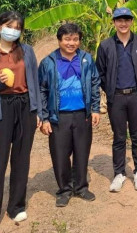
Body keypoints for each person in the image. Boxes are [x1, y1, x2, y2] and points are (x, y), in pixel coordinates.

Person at [39, 23, 100, 207]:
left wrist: (95, 108)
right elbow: (41, 90)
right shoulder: (48, 62)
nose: (71, 43)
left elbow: (95, 83)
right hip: (59, 116)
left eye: (75, 39)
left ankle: (81, 187)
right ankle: (64, 189)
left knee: (82, 152)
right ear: (59, 40)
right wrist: (44, 117)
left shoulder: (86, 59)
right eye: (67, 39)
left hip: (82, 114)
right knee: (60, 154)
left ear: (79, 41)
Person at [96, 7, 137, 192]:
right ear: (114, 22)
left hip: (136, 96)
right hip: (116, 98)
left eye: (127, 19)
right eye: (119, 20)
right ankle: (119, 173)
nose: (123, 23)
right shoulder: (105, 46)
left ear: (132, 21)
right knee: (119, 137)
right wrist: (110, 89)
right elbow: (100, 72)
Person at [0, 11, 41, 222]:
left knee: (21, 158)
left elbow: (34, 81)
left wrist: (39, 112)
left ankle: (16, 206)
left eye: (17, 28)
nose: (13, 31)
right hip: (2, 107)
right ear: (0, 26)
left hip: (25, 106)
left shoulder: (27, 51)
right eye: (9, 26)